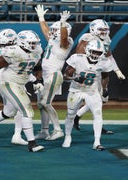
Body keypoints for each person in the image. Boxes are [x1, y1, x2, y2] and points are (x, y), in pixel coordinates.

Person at [73, 19, 126, 134]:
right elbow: (79, 58)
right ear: (93, 29)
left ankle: (77, 117)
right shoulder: (87, 38)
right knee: (87, 101)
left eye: (105, 30)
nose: (103, 32)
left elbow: (109, 57)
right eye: (101, 29)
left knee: (100, 100)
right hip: (87, 73)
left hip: (99, 71)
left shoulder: (106, 39)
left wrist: (117, 71)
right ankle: (71, 123)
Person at [62, 39, 115, 151]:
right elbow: (65, 76)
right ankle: (67, 136)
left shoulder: (104, 62)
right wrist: (74, 78)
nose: (95, 55)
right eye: (93, 51)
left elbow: (105, 76)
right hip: (76, 90)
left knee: (98, 114)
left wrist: (105, 88)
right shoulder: (77, 59)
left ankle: (97, 142)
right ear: (87, 50)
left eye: (98, 53)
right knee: (71, 114)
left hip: (92, 91)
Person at [33, 5, 74, 140]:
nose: (53, 32)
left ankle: (57, 129)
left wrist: (62, 23)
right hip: (45, 76)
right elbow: (46, 31)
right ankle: (44, 130)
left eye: (57, 30)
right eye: (54, 29)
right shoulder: (53, 39)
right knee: (41, 104)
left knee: (45, 102)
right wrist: (41, 18)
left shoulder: (67, 41)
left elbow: (63, 38)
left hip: (54, 75)